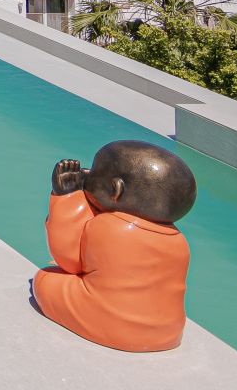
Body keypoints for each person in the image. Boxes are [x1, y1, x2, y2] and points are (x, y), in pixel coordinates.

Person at [32, 140, 196, 352]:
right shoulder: (180, 242)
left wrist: (67, 196)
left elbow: (67, 259)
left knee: (44, 279)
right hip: (168, 333)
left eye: (94, 172)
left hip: (112, 324)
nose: (86, 173)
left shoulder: (108, 227)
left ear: (115, 189)